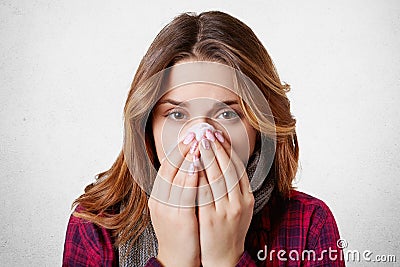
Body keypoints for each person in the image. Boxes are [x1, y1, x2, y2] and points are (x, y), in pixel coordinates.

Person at [63, 11, 345, 267]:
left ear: (259, 127)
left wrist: (227, 259)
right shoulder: (95, 226)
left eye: (226, 114)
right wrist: (173, 260)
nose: (201, 140)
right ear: (147, 127)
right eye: (176, 114)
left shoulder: (309, 224)